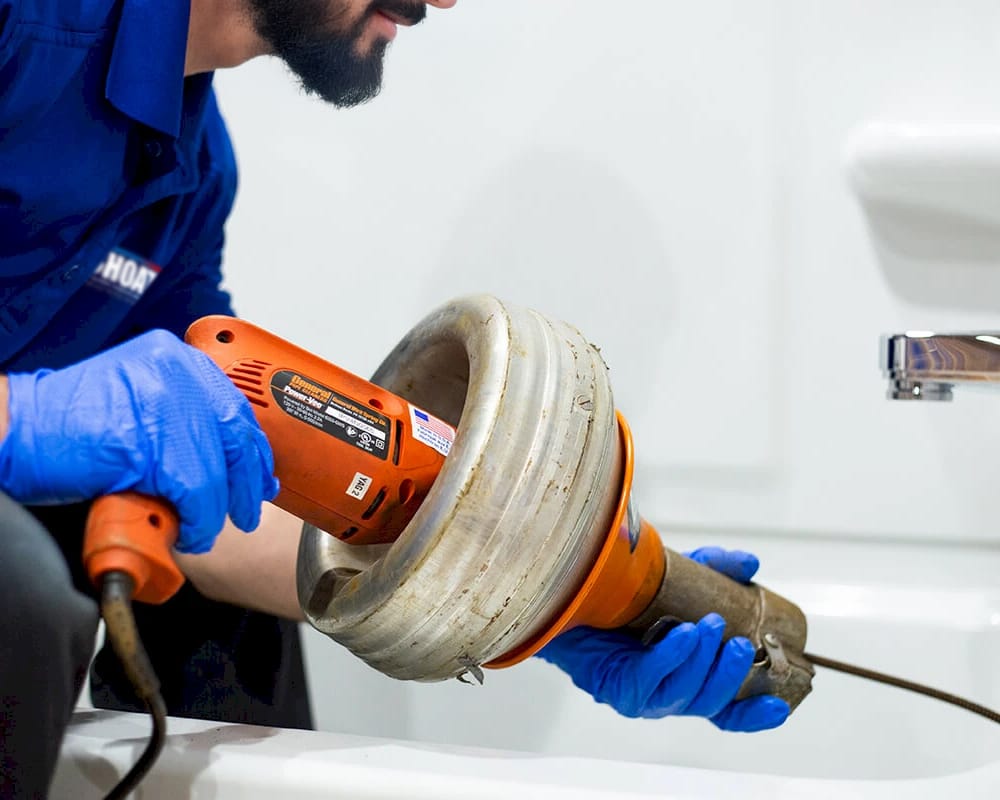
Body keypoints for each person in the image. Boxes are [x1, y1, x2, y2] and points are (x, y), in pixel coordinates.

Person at [0, 1, 790, 796]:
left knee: (220, 584)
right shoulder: (23, 29)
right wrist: (30, 422)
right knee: (20, 580)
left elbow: (219, 495)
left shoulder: (192, 170)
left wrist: (532, 603)